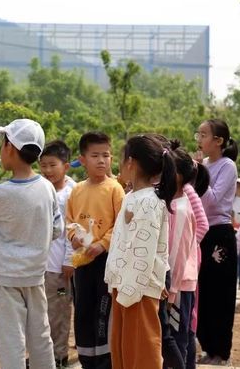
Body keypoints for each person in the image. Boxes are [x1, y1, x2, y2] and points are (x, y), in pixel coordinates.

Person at [0, 118, 61, 369]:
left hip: (5, 278)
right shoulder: (47, 188)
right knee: (40, 337)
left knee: (11, 341)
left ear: (10, 149)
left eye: (2, 142)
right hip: (35, 275)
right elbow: (57, 229)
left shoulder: (1, 194)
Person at [104, 134, 175, 369]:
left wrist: (129, 291)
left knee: (142, 352)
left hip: (137, 289)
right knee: (124, 351)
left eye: (120, 158)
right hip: (125, 286)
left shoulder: (149, 201)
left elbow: (143, 251)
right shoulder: (134, 196)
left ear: (131, 163)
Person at [66, 132, 125, 369]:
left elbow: (121, 223)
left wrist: (103, 244)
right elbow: (70, 221)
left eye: (106, 155)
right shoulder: (77, 190)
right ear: (82, 159)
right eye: (95, 155)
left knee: (103, 311)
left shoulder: (115, 189)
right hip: (82, 262)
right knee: (82, 311)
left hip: (106, 262)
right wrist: (74, 237)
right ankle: (86, 359)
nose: (102, 160)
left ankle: (104, 361)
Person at [194, 119, 239, 366]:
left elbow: (210, 202)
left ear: (218, 141)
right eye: (198, 134)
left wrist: (198, 171)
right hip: (200, 232)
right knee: (202, 291)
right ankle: (207, 346)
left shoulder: (227, 166)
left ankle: (221, 351)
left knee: (220, 293)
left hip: (219, 233)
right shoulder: (204, 165)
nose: (199, 139)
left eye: (203, 134)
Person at [166, 142, 210, 368]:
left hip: (181, 274)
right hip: (179, 272)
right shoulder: (168, 197)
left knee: (180, 331)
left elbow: (201, 224)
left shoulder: (183, 198)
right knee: (179, 330)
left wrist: (190, 249)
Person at [39, 140, 76, 368]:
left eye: (52, 165)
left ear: (66, 166)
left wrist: (69, 260)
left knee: (60, 312)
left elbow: (72, 228)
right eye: (43, 165)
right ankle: (43, 355)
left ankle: (59, 355)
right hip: (40, 265)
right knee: (41, 314)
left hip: (60, 266)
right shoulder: (40, 188)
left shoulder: (73, 192)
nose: (48, 170)